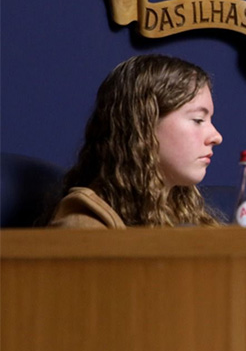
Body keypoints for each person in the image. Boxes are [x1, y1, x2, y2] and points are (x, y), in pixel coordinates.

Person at [49, 54, 223, 228]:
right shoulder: (84, 222)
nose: (216, 137)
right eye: (198, 120)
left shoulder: (184, 215)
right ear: (144, 125)